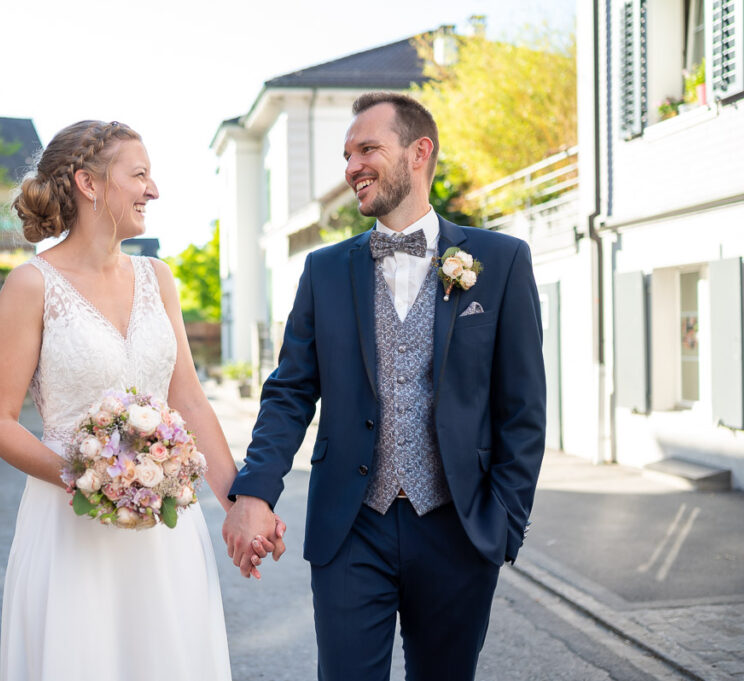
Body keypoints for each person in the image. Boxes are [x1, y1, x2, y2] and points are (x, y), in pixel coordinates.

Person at [222, 92, 546, 680]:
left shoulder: (501, 262)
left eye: (367, 148)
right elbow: (290, 392)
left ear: (419, 152)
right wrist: (255, 492)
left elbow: (522, 409)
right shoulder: (324, 270)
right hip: (351, 527)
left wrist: (504, 523)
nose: (351, 168)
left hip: (458, 527)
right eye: (347, 155)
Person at [0, 120, 282, 681]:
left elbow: (187, 398)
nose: (154, 190)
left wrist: (241, 502)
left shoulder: (158, 277)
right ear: (89, 184)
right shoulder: (30, 286)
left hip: (163, 533)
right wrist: (86, 476)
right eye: (139, 175)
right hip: (71, 527)